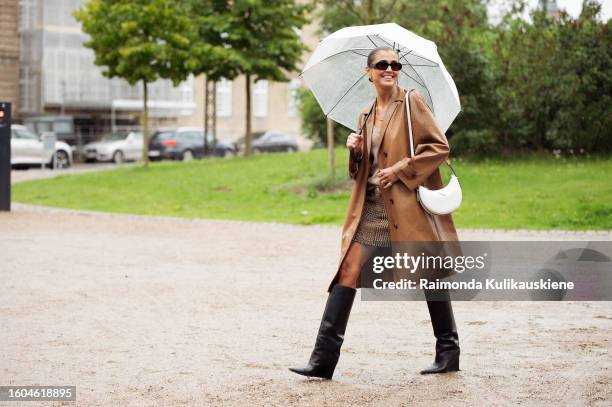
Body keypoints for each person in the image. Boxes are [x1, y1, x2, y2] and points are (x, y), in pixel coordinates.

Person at [289, 46, 461, 380]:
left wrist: (399, 169)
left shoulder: (412, 103)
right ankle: (322, 360)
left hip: (406, 206)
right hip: (370, 207)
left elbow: (439, 147)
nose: (390, 69)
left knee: (428, 273)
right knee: (349, 271)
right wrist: (355, 152)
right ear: (368, 72)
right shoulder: (365, 114)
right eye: (382, 64)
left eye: (395, 65)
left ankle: (448, 351)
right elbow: (359, 173)